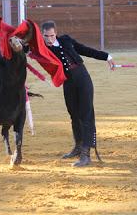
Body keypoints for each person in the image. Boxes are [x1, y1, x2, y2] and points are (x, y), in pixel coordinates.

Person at [41, 20, 115, 167]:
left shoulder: (66, 40)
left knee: (85, 114)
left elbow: (85, 50)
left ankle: (86, 155)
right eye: (46, 36)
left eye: (52, 35)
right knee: (74, 114)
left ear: (56, 33)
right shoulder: (41, 48)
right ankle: (78, 147)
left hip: (82, 78)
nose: (49, 39)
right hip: (67, 82)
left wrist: (107, 56)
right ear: (42, 35)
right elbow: (25, 49)